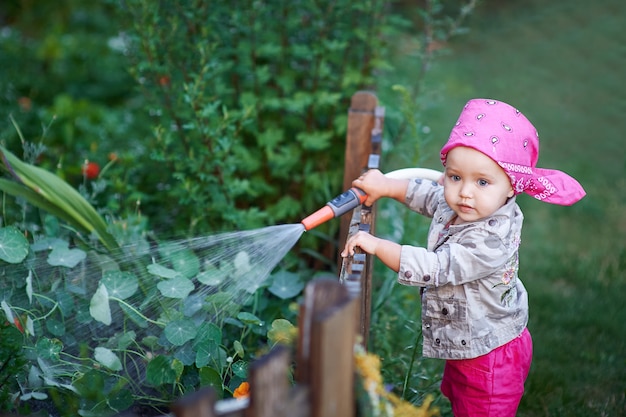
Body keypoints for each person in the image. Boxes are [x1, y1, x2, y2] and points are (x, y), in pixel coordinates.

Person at [341, 98, 586, 416]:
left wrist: (376, 245)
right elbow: (430, 195)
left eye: (482, 181)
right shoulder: (468, 205)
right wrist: (387, 186)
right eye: (455, 177)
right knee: (462, 404)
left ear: (512, 187)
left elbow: (436, 267)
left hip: (490, 357)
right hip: (469, 343)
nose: (465, 191)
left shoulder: (489, 238)